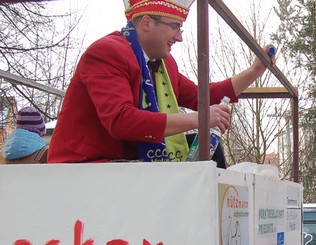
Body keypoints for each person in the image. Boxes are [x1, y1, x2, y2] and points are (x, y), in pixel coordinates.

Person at [48, 0, 275, 163]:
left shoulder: (165, 64)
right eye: (175, 26)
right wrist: (199, 119)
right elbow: (120, 120)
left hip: (125, 171)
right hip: (83, 170)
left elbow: (203, 97)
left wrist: (255, 70)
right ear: (147, 23)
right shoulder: (107, 52)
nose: (180, 37)